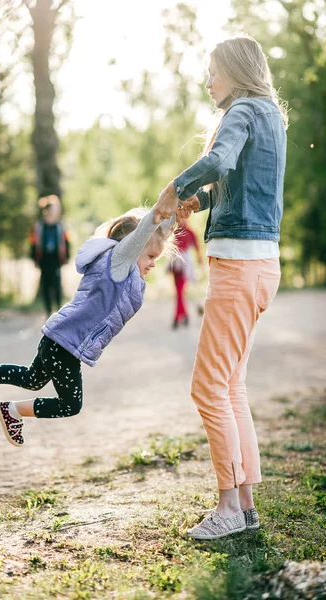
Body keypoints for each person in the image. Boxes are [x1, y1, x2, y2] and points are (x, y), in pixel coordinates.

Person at [156, 35, 288, 540]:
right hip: (261, 266)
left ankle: (229, 508)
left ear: (234, 71)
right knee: (232, 387)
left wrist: (177, 188)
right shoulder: (269, 115)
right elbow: (233, 181)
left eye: (213, 71)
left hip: (238, 268)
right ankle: (247, 507)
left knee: (208, 387)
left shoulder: (241, 112)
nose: (207, 81)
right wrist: (201, 200)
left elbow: (217, 161)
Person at [0, 205, 175, 447]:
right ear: (133, 246)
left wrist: (176, 212)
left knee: (32, 379)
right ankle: (12, 410)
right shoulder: (118, 263)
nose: (153, 263)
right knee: (70, 404)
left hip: (58, 337)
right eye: (150, 256)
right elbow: (142, 235)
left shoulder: (121, 271)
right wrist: (162, 209)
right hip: (66, 343)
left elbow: (154, 234)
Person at [30, 195, 70, 317]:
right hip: (44, 258)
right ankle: (48, 311)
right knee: (46, 285)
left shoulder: (60, 226)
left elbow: (66, 242)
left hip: (56, 258)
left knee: (57, 284)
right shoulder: (39, 226)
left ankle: (58, 310)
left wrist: (66, 256)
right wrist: (34, 258)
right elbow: (33, 243)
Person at [167, 219, 203, 329]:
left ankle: (178, 317)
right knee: (179, 292)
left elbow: (197, 246)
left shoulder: (189, 231)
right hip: (175, 263)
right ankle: (184, 315)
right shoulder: (174, 230)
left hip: (185, 263)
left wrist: (200, 261)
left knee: (179, 292)